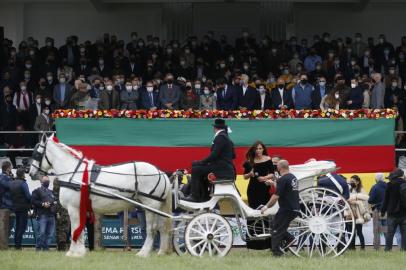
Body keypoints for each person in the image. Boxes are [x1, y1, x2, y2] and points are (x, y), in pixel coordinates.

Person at [184, 119, 236, 202]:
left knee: (196, 169)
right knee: (199, 167)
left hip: (222, 169)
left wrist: (201, 162)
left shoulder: (220, 137)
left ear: (215, 128)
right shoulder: (225, 137)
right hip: (224, 168)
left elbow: (214, 155)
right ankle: (203, 195)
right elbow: (233, 155)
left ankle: (195, 196)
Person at [261, 160, 299, 257]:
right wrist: (273, 184)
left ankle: (276, 252)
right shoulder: (292, 177)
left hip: (286, 208)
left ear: (279, 168)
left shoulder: (283, 179)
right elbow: (284, 188)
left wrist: (266, 207)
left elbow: (276, 196)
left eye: (276, 166)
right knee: (275, 225)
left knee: (276, 230)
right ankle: (290, 239)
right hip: (294, 208)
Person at [243, 141, 274, 249]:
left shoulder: (268, 159)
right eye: (257, 149)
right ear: (254, 150)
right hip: (253, 190)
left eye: (260, 148)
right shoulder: (250, 161)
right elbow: (244, 177)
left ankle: (267, 243)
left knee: (265, 212)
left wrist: (264, 178)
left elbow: (272, 174)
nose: (258, 151)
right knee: (253, 213)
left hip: (264, 189)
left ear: (263, 149)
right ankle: (253, 243)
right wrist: (250, 174)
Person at [381, 168, 406, 251]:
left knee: (390, 233)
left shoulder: (390, 185)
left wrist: (383, 211)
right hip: (404, 213)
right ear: (402, 175)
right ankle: (404, 249)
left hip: (392, 213)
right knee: (404, 233)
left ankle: (388, 249)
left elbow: (386, 199)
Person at [31, 175, 56, 251]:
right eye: (46, 180)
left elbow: (55, 201)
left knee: (50, 234)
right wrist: (43, 204)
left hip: (51, 215)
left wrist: (53, 203)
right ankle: (38, 248)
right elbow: (33, 201)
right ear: (41, 182)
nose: (47, 182)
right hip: (42, 215)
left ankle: (46, 249)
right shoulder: (36, 191)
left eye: (48, 181)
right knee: (41, 233)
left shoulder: (51, 192)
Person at [9, 168, 31, 250]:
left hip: (15, 207)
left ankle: (17, 245)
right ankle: (18, 246)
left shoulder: (11, 183)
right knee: (22, 227)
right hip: (23, 208)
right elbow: (28, 196)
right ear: (23, 174)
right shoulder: (23, 183)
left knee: (18, 227)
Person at [348, 175, 369, 250]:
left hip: (359, 214)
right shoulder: (350, 190)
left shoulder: (361, 190)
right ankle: (352, 247)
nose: (351, 183)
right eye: (350, 181)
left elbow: (365, 201)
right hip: (351, 213)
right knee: (351, 232)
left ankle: (362, 247)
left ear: (357, 182)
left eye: (353, 181)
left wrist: (355, 202)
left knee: (359, 232)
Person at [53, 178, 70, 251]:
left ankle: (62, 247)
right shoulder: (59, 195)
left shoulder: (57, 195)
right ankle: (61, 247)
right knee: (62, 231)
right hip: (61, 212)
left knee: (63, 231)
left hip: (63, 212)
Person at [0, 161, 13, 250]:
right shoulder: (3, 178)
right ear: (8, 168)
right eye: (11, 167)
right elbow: (11, 186)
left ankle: (4, 246)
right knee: (4, 228)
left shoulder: (7, 177)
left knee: (7, 227)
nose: (12, 168)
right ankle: (3, 248)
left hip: (8, 206)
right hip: (4, 206)